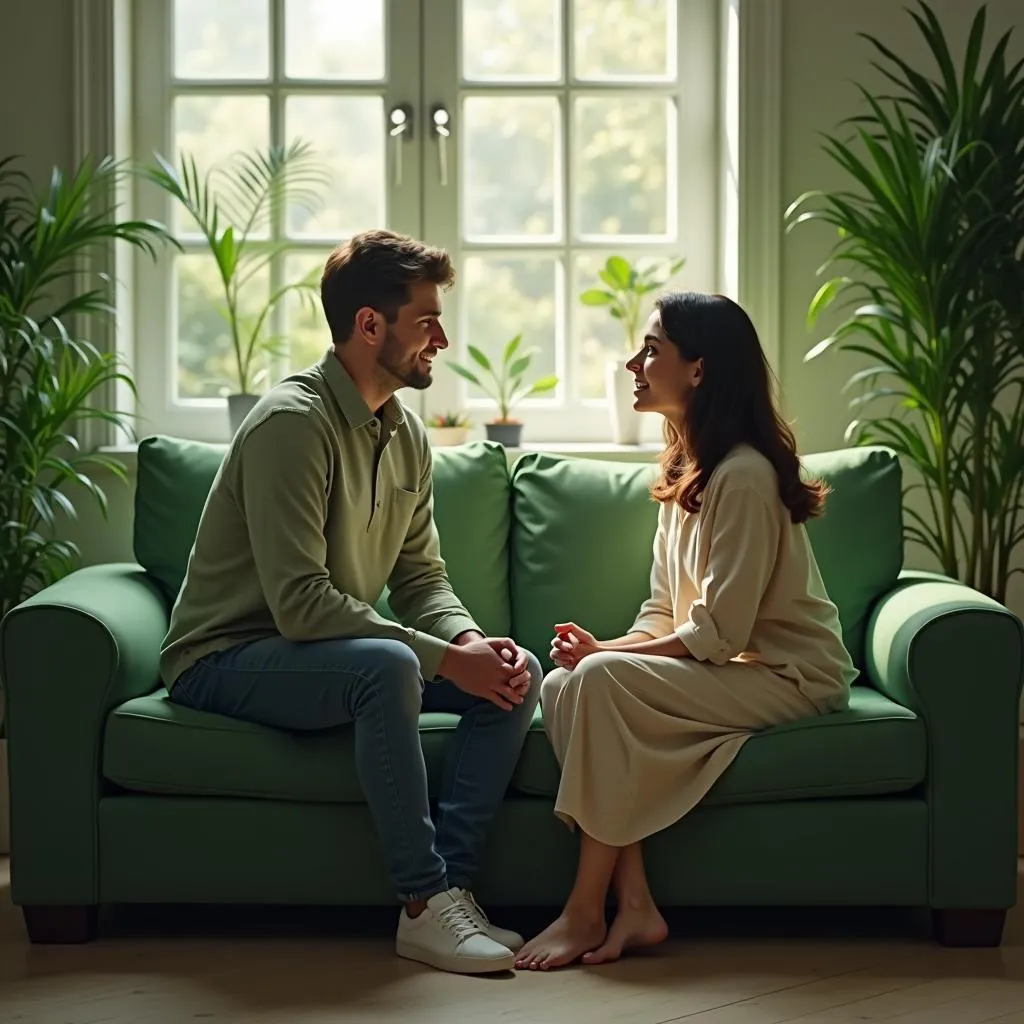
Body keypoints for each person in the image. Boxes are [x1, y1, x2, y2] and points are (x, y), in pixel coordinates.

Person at [161, 229, 543, 976]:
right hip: (227, 655)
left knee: (513, 669)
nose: (442, 337)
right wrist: (437, 660)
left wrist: (468, 646)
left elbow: (423, 580)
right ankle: (421, 901)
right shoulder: (290, 425)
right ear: (370, 325)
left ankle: (450, 893)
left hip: (323, 652)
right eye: (426, 320)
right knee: (384, 668)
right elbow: (302, 603)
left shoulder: (406, 435)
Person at [515, 292, 858, 971]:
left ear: (698, 371)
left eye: (651, 350)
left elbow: (721, 632)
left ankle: (585, 913)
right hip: (730, 668)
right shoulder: (686, 471)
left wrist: (608, 660)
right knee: (564, 686)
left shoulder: (746, 477)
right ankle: (636, 904)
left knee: (599, 681)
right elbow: (665, 613)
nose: (631, 363)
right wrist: (599, 652)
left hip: (787, 676)